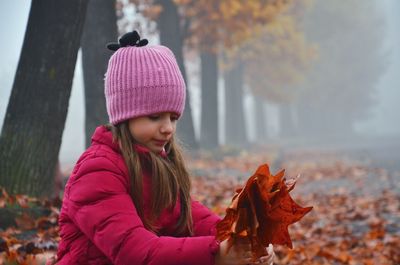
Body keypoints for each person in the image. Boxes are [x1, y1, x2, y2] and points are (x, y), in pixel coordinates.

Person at [56, 31, 275, 265]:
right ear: (124, 115)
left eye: (173, 117)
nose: (168, 128)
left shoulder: (156, 163)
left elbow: (191, 218)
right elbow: (134, 252)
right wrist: (216, 254)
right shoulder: (97, 171)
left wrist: (241, 238)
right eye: (155, 117)